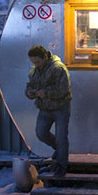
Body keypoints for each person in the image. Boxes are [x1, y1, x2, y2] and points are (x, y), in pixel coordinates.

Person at [25, 45, 72, 177]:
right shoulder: (35, 71)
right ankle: (60, 150)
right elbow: (29, 85)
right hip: (45, 108)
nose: (36, 65)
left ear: (45, 57)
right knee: (41, 133)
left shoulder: (58, 68)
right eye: (33, 62)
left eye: (38, 62)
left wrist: (45, 93)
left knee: (61, 137)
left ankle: (61, 167)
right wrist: (29, 93)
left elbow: (64, 89)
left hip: (61, 108)